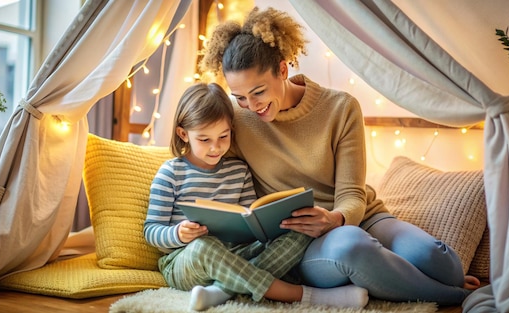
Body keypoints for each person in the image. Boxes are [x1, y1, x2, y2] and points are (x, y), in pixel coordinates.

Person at [199, 7, 481, 306]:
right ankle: (456, 297)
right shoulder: (236, 118)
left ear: (282, 70)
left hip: (360, 217)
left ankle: (405, 277)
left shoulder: (340, 107)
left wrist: (335, 218)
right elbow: (198, 148)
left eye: (257, 92)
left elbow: (352, 195)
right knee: (353, 247)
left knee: (442, 262)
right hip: (302, 241)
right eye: (239, 96)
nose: (250, 105)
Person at [143, 82, 369, 311]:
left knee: (300, 230)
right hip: (186, 261)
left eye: (224, 136)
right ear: (183, 134)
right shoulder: (171, 173)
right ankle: (301, 295)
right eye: (204, 140)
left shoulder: (238, 170)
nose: (216, 147)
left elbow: (249, 219)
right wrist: (178, 234)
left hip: (237, 255)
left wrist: (262, 227)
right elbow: (151, 231)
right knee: (203, 246)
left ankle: (222, 291)